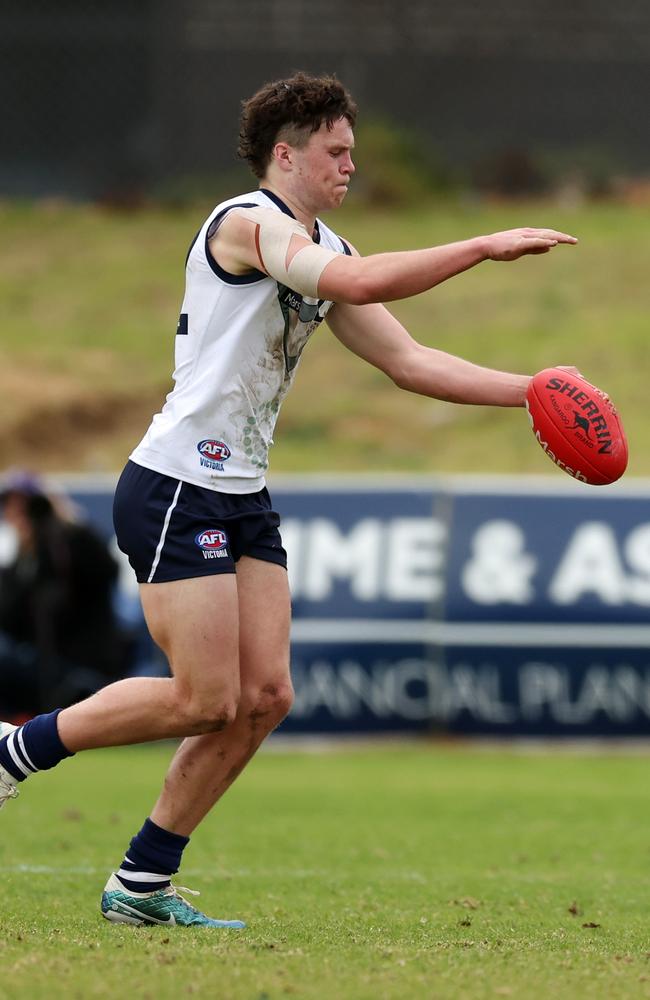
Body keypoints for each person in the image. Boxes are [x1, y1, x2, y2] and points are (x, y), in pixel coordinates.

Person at [0, 72, 578, 928]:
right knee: (203, 698)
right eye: (336, 151)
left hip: (241, 494)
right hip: (175, 486)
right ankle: (15, 752)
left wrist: (533, 389)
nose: (351, 165)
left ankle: (142, 884)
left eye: (352, 152)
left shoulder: (327, 247)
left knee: (266, 695)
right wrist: (480, 245)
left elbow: (410, 362)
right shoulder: (244, 224)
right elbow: (352, 286)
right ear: (287, 153)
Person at [0, 473, 127, 716]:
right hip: (39, 660)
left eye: (26, 507)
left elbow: (108, 570)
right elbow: (9, 619)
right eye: (10, 507)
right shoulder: (21, 562)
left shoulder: (73, 541)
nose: (17, 515)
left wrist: (63, 526)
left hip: (80, 661)